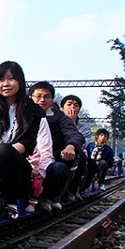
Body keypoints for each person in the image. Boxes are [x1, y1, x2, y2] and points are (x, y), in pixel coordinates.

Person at [0, 61, 49, 217]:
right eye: (1, 80)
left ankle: (11, 203)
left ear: (20, 81)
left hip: (15, 163)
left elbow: (26, 143)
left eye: (11, 79)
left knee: (4, 151)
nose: (5, 84)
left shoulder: (32, 110)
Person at [27, 81, 84, 211]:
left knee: (61, 166)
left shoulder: (59, 117)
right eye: (38, 96)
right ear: (30, 97)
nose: (42, 100)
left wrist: (71, 146)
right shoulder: (22, 114)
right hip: (29, 158)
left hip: (52, 158)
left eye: (47, 97)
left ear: (52, 100)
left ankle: (51, 196)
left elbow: (74, 134)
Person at [59, 94, 93, 200]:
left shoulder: (85, 128)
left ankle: (72, 189)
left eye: (76, 105)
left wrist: (71, 124)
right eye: (69, 104)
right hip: (57, 150)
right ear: (62, 108)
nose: (72, 107)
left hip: (75, 152)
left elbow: (82, 144)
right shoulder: (55, 121)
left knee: (82, 157)